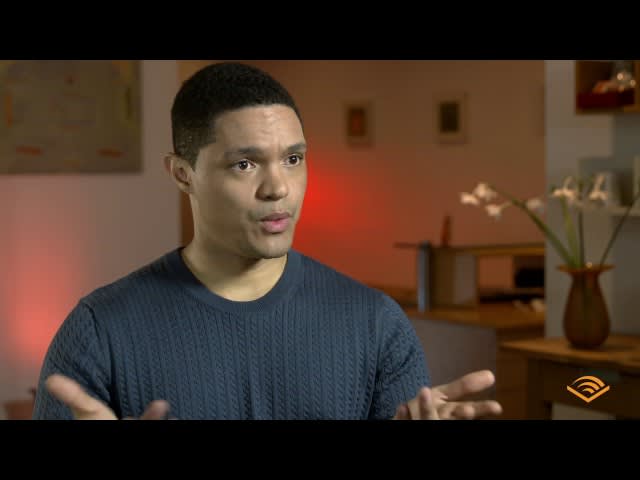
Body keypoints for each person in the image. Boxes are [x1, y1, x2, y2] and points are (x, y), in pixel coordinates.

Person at [32, 62, 502, 420]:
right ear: (183, 174)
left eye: (293, 159)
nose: (278, 188)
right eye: (245, 164)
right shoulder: (99, 332)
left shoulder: (376, 325)